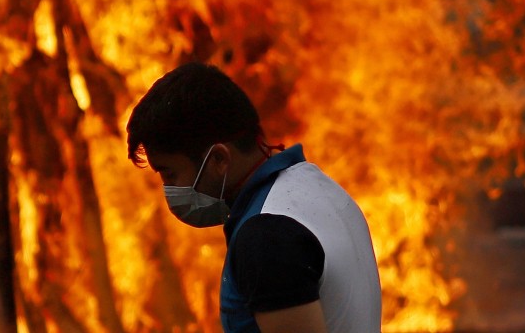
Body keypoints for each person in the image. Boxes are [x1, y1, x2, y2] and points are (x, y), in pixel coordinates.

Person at [126, 62, 381, 333]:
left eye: (170, 174)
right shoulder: (317, 187)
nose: (168, 189)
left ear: (219, 160)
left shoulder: (266, 238)